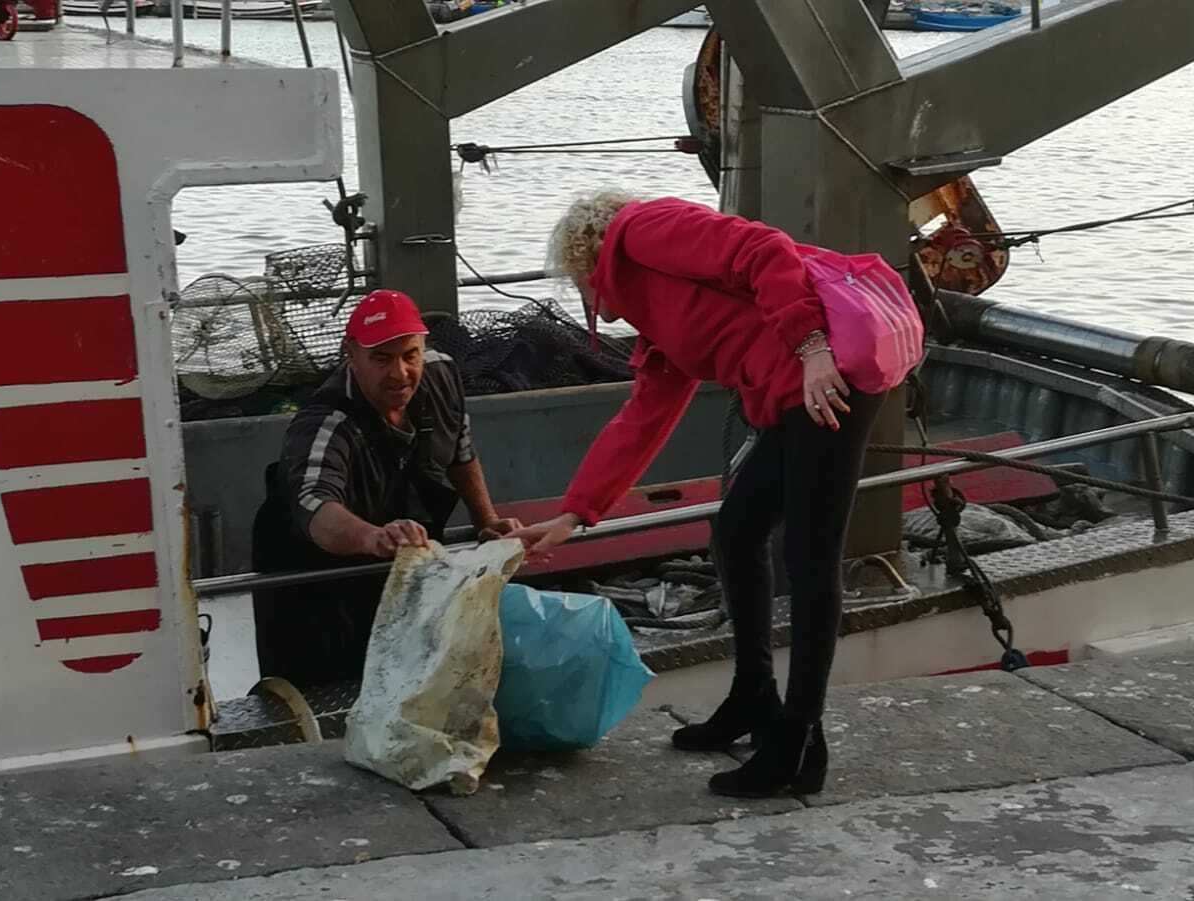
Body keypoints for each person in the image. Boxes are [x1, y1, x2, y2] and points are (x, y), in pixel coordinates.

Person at [510, 193, 889, 799]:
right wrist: (573, 515)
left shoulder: (642, 231)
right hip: (792, 395)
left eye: (576, 283)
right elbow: (643, 417)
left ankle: (798, 744)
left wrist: (812, 348)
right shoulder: (654, 318)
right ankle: (753, 697)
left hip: (824, 378)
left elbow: (764, 249)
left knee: (811, 561)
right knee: (736, 532)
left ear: (586, 262)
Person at [251, 289, 520, 688]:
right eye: (380, 358)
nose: (399, 373)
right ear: (351, 355)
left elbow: (461, 453)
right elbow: (316, 506)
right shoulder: (324, 424)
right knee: (330, 681)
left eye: (409, 355)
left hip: (398, 559)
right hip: (315, 578)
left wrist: (487, 522)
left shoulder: (442, 375)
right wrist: (375, 537)